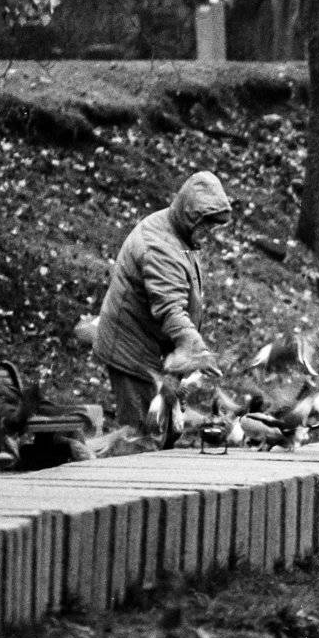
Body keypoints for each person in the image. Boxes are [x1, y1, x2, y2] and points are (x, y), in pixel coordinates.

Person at [94, 171, 232, 446]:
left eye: (213, 225)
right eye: (205, 224)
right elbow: (171, 308)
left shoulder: (177, 233)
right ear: (191, 215)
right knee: (142, 436)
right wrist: (196, 349)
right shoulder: (160, 247)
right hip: (133, 352)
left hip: (152, 348)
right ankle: (121, 470)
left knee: (160, 429)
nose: (209, 231)